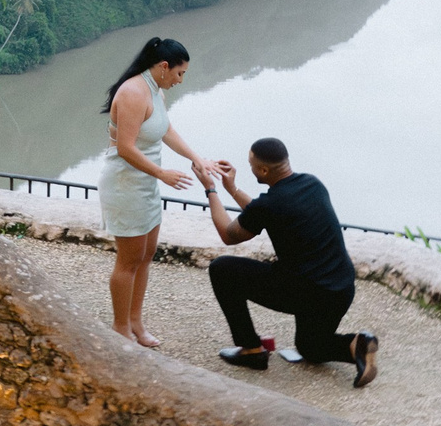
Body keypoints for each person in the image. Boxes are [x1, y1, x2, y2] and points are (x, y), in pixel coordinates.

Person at [199, 138, 379, 387]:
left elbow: (229, 235)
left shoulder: (271, 204)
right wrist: (233, 188)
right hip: (340, 289)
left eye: (252, 165)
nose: (250, 168)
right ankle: (357, 343)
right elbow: (261, 213)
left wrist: (211, 189)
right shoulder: (313, 184)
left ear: (263, 170)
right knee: (310, 348)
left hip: (307, 291)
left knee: (222, 269)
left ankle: (251, 349)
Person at [99, 35, 215, 349]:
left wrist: (196, 158)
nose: (181, 80)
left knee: (146, 255)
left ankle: (136, 322)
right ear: (164, 66)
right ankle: (120, 327)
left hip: (145, 182)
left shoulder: (156, 91)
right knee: (128, 260)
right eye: (179, 73)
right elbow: (125, 148)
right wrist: (163, 174)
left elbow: (166, 130)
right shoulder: (135, 91)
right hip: (126, 183)